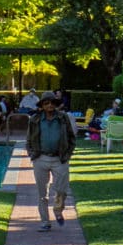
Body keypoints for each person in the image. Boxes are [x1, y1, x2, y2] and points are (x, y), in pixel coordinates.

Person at [26, 93, 74, 231]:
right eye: (46, 103)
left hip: (60, 158)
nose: (49, 105)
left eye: (52, 103)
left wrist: (68, 153)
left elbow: (71, 136)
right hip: (40, 158)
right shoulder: (35, 119)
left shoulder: (63, 118)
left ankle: (58, 210)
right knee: (42, 194)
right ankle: (45, 222)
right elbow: (29, 138)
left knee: (61, 190)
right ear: (42, 105)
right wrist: (31, 153)